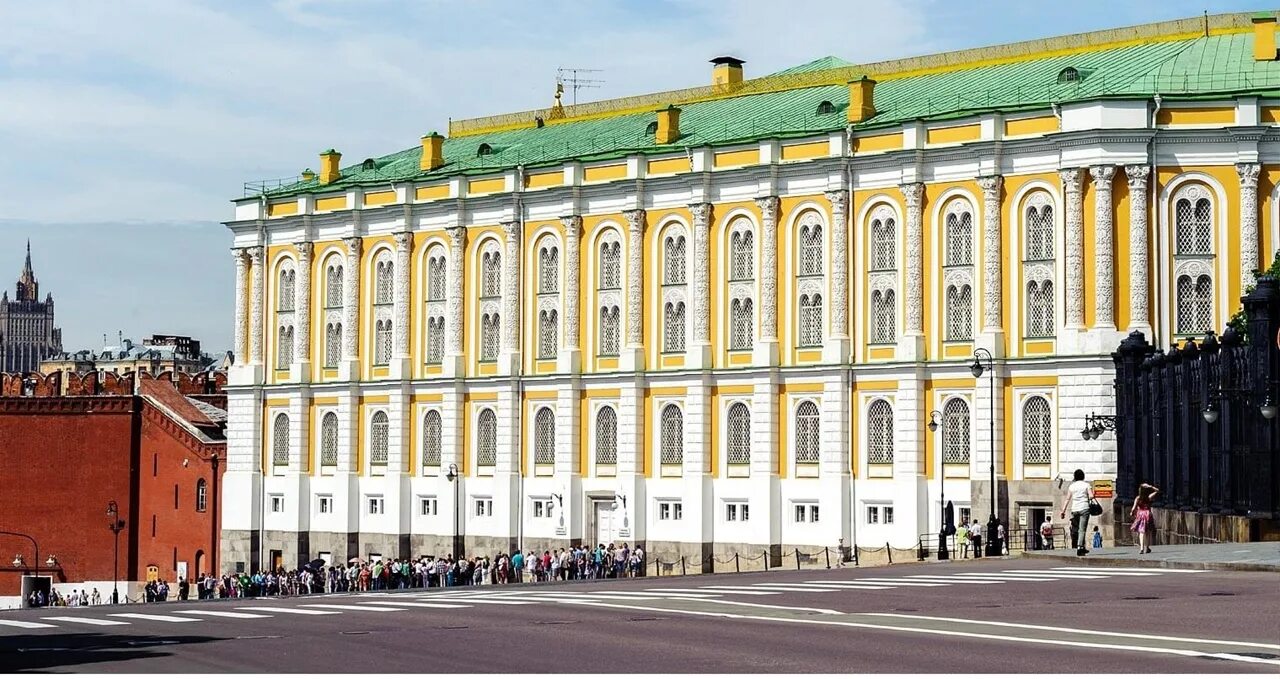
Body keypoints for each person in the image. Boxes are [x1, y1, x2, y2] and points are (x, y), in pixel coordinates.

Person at [1060, 468, 1095, 557]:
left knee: (1077, 529)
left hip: (1074, 510)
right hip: (1084, 509)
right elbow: (1091, 496)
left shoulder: (1072, 486)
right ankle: (1080, 547)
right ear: (1083, 476)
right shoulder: (1086, 485)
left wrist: (1063, 511)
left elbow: (1067, 499)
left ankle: (1080, 546)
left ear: (1075, 477)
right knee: (1082, 529)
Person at [1130, 482, 1159, 554]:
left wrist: (1132, 513)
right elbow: (1157, 491)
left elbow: (1133, 508)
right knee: (1147, 531)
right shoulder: (1149, 497)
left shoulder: (1138, 498)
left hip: (1140, 514)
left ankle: (1141, 548)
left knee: (1141, 531)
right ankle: (1147, 547)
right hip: (1147, 514)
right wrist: (1150, 487)